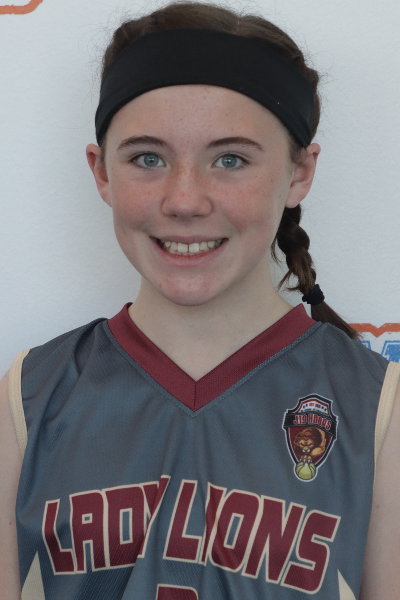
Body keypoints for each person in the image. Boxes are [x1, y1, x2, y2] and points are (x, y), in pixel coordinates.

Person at [0, 2, 399, 598]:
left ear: (299, 172)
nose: (185, 200)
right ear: (101, 171)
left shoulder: (379, 410)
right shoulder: (30, 399)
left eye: (230, 159)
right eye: (148, 158)